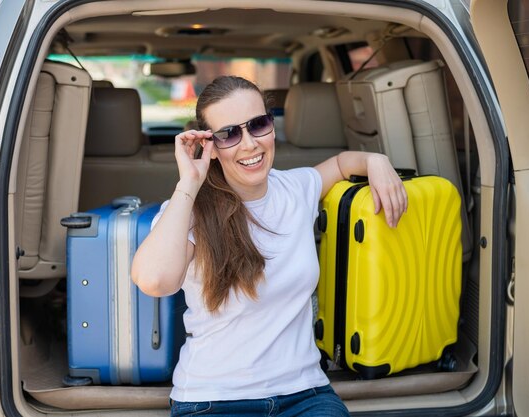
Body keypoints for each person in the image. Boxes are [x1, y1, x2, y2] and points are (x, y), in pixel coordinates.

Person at [131, 75, 408, 417]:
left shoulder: (295, 188)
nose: (249, 144)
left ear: (271, 126)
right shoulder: (189, 209)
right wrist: (189, 182)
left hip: (306, 394)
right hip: (213, 399)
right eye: (229, 133)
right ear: (210, 146)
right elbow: (154, 281)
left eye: (258, 125)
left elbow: (339, 164)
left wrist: (375, 161)